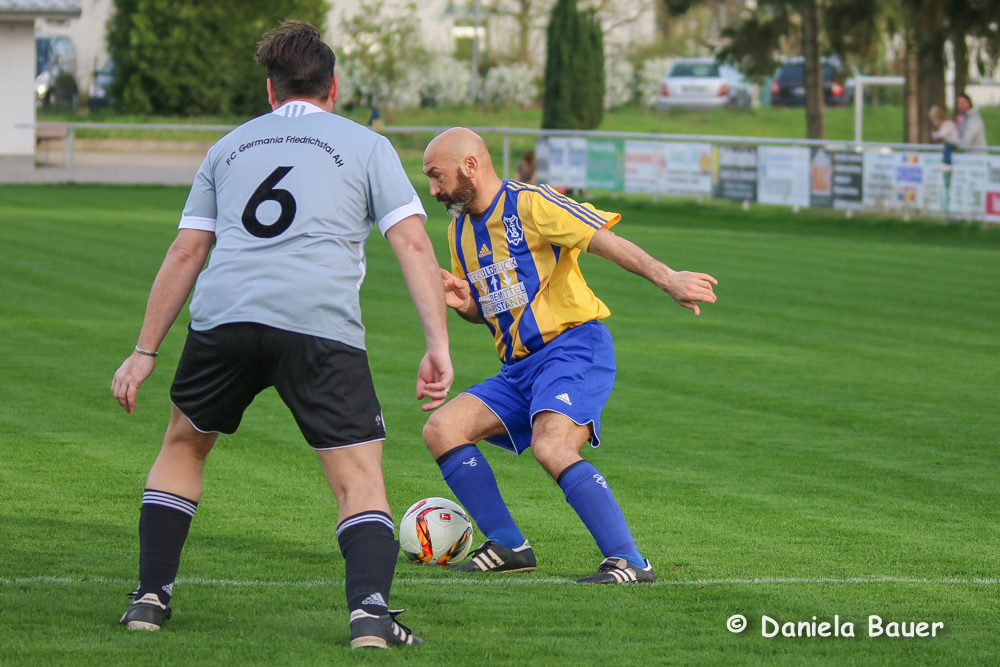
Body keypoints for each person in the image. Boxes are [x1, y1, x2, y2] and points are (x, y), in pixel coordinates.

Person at [110, 21, 452, 649]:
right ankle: (371, 616)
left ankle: (148, 600)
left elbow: (188, 251)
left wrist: (143, 351)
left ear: (271, 91)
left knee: (184, 445)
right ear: (334, 87)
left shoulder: (227, 147)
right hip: (318, 324)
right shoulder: (367, 146)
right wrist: (439, 344)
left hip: (225, 317)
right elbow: (409, 240)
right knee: (357, 476)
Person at [420, 128, 718, 584]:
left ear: (471, 166)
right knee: (443, 428)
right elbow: (494, 309)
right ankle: (508, 544)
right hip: (518, 368)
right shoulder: (458, 230)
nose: (434, 190)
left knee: (552, 444)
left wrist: (668, 278)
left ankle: (630, 561)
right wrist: (466, 305)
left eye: (438, 177)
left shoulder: (530, 203)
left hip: (574, 348)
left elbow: (602, 240)